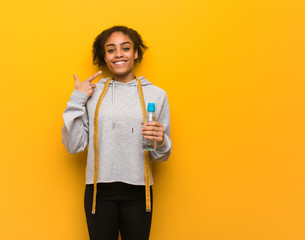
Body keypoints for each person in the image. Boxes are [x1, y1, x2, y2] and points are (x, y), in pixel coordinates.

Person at [61, 25, 172, 240]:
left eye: (126, 48)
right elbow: (74, 146)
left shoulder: (156, 95)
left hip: (140, 194)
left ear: (136, 52)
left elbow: (162, 155)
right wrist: (76, 99)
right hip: (98, 193)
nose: (119, 54)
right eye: (111, 49)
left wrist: (161, 140)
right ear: (104, 55)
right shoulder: (91, 93)